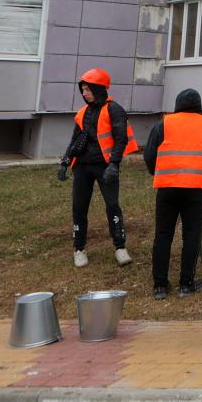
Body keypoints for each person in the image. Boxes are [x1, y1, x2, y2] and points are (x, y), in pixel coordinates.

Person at [144, 88, 202, 300]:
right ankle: (186, 284)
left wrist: (157, 171)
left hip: (167, 187)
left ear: (177, 105)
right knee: (191, 235)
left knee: (163, 235)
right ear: (199, 106)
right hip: (195, 189)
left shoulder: (164, 124)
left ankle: (160, 285)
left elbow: (150, 155)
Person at [57, 68, 137, 268]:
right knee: (79, 207)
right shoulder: (82, 113)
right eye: (82, 90)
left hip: (105, 167)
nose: (84, 93)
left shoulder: (114, 110)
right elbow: (75, 140)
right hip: (82, 167)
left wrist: (114, 165)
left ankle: (120, 247)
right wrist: (65, 162)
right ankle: (79, 249)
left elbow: (121, 139)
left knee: (112, 205)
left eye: (88, 89)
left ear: (98, 89)